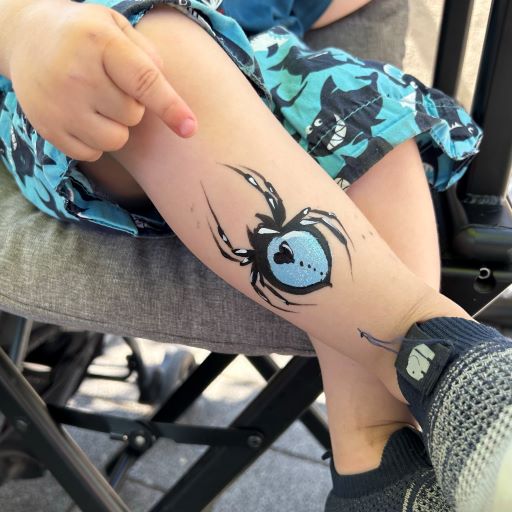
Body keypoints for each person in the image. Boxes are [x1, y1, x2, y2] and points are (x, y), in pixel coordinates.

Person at [0, 0, 510, 510]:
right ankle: (446, 362)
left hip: (274, 93)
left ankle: (377, 471)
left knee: (361, 105)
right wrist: (21, 27)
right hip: (80, 94)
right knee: (151, 51)